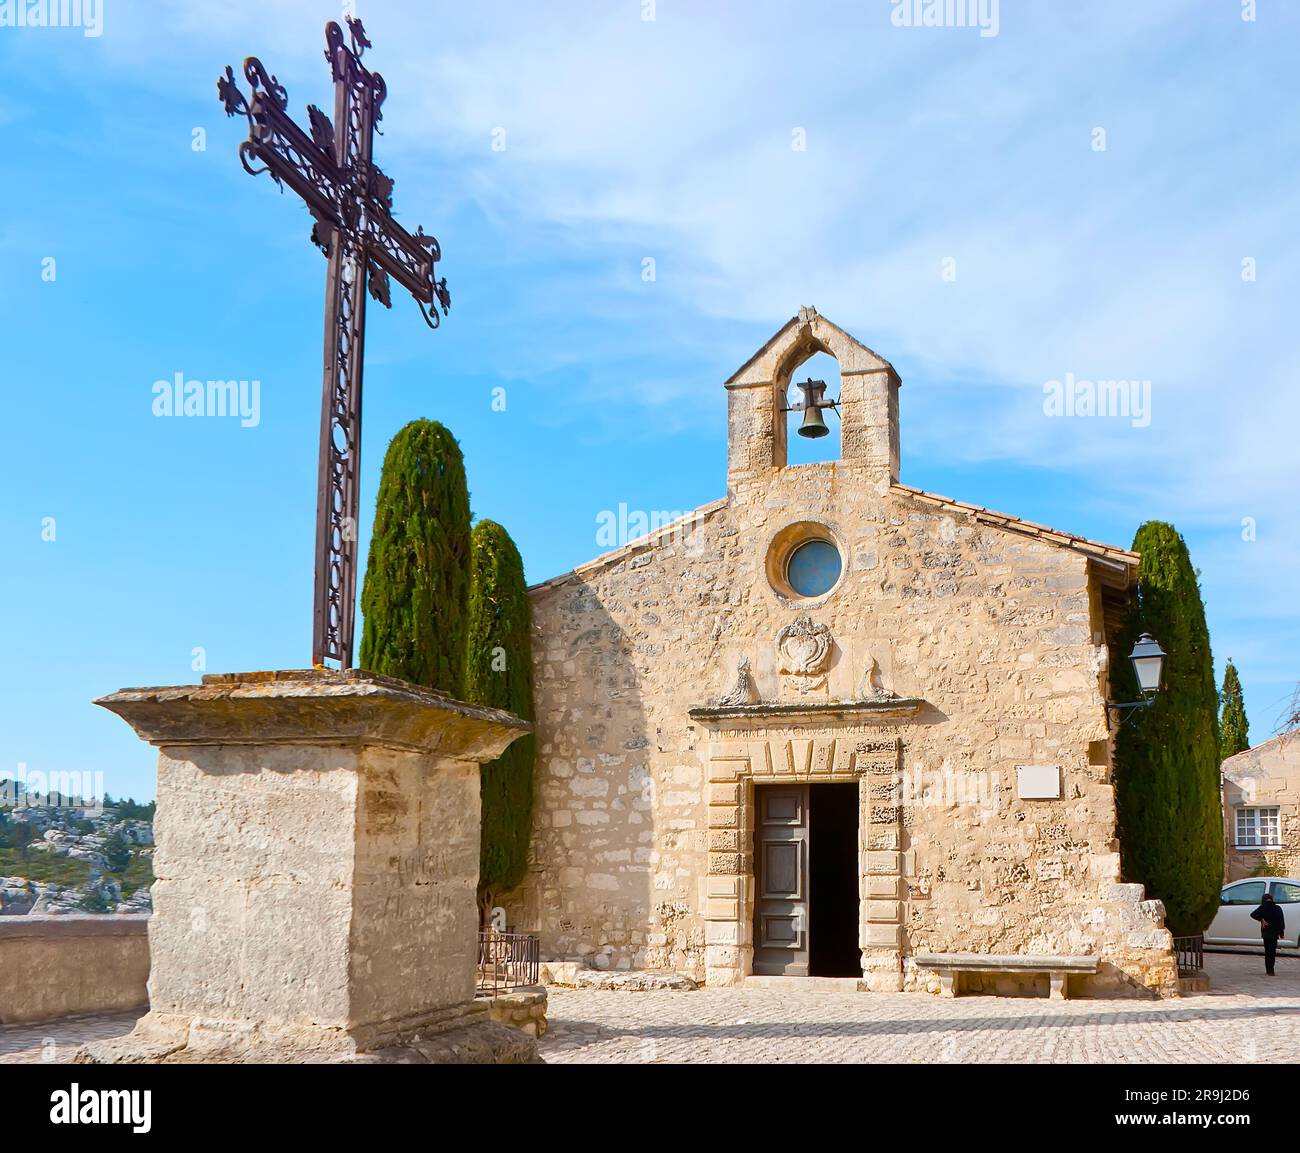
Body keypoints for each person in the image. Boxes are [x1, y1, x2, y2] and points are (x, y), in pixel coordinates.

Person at [1250, 891, 1286, 976]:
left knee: (1267, 951)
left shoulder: (1262, 907)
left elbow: (1252, 914)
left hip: (1266, 933)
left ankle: (1268, 969)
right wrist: (1281, 933)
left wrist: (1261, 919)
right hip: (1275, 933)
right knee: (1272, 952)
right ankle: (1272, 970)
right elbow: (1281, 922)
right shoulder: (1278, 908)